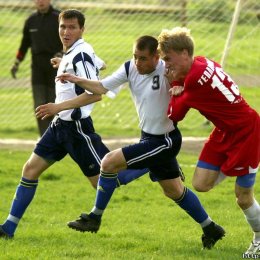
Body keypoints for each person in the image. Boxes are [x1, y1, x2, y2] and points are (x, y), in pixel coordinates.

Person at [56, 35, 226, 249]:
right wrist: (75, 79)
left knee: (108, 163)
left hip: (165, 140)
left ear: (157, 57)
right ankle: (211, 228)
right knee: (173, 190)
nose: (138, 63)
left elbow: (191, 76)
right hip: (149, 139)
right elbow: (100, 87)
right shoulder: (130, 68)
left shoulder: (168, 69)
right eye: (135, 57)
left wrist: (181, 87)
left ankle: (94, 218)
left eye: (143, 59)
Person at [0, 9, 147, 239]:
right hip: (60, 127)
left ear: (82, 30)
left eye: (71, 27)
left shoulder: (81, 53)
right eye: (63, 27)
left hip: (77, 129)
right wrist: (63, 64)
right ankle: (8, 228)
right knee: (30, 170)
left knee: (105, 180)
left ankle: (153, 161)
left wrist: (57, 106)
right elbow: (102, 64)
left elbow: (96, 93)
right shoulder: (74, 53)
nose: (66, 32)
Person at [157, 27, 260, 255]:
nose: (166, 65)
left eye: (168, 58)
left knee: (243, 198)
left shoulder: (192, 80)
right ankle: (235, 166)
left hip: (246, 133)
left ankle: (259, 239)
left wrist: (175, 88)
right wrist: (181, 85)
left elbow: (174, 115)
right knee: (201, 184)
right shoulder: (203, 61)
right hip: (224, 132)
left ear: (184, 53)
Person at [10, 0, 63, 136]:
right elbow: (24, 44)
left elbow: (69, 41)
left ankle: (56, 137)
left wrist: (62, 54)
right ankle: (44, 138)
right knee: (39, 105)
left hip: (56, 68)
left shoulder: (59, 18)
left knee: (54, 104)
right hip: (37, 68)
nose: (40, 1)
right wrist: (17, 62)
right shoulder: (31, 20)